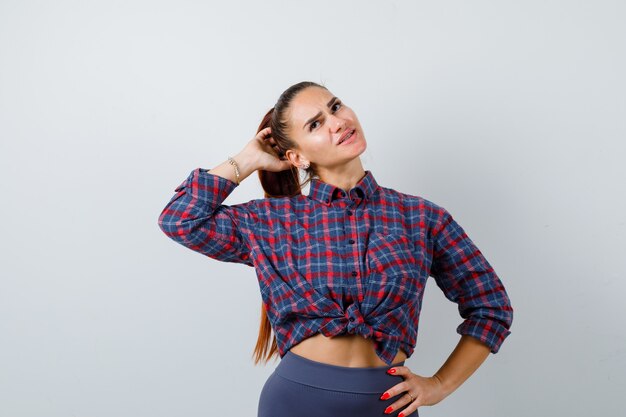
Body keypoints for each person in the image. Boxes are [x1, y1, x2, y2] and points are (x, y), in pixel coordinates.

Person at [157, 81, 514, 417]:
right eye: (315, 124)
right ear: (296, 157)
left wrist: (439, 385)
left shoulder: (421, 217)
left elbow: (491, 306)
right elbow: (180, 220)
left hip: (389, 405)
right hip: (296, 402)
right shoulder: (269, 221)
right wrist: (246, 160)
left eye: (336, 106)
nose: (338, 122)